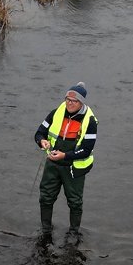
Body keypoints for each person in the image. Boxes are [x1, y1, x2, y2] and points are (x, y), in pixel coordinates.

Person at [33, 82, 97, 232]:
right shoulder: (56, 112)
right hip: (52, 165)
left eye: (74, 101)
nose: (69, 103)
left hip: (73, 168)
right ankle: (46, 230)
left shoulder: (90, 122)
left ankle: (74, 233)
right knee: (45, 198)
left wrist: (64, 156)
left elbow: (87, 150)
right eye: (67, 99)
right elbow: (39, 132)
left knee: (75, 203)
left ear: (81, 102)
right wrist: (41, 141)